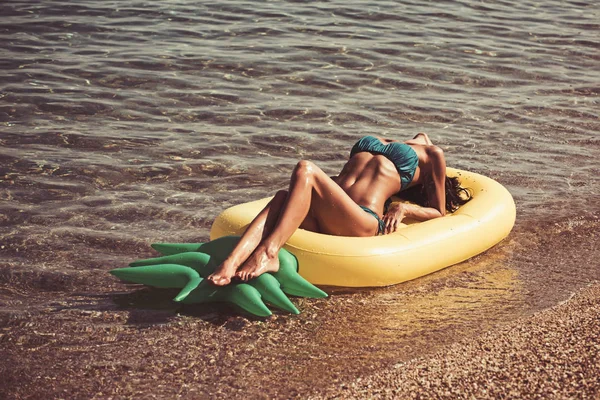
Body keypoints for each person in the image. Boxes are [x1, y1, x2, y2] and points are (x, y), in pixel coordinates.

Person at [207, 133, 471, 286]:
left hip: (363, 220)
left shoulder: (431, 153)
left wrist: (405, 209)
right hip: (336, 212)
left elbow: (440, 212)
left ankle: (269, 253)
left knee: (305, 168)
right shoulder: (387, 140)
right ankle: (230, 263)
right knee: (281, 197)